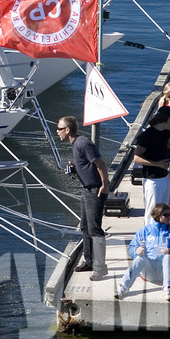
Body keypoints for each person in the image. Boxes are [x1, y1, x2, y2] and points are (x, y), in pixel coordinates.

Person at [60, 115, 109, 279]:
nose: (57, 132)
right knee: (85, 227)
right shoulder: (76, 145)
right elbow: (87, 165)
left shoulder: (83, 143)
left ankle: (100, 267)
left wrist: (105, 184)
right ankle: (89, 261)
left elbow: (100, 163)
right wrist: (75, 169)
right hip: (86, 189)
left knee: (95, 229)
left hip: (95, 190)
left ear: (67, 130)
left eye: (59, 129)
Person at [115, 202, 170, 301]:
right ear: (158, 216)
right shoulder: (145, 231)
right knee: (140, 258)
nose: (169, 217)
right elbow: (130, 248)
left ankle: (167, 288)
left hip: (166, 272)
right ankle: (124, 286)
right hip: (149, 271)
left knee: (168, 257)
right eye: (165, 215)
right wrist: (137, 250)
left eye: (169, 214)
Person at [131, 104, 170, 217]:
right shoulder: (147, 135)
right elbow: (136, 157)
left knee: (163, 210)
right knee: (152, 210)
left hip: (164, 177)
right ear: (164, 120)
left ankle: (161, 232)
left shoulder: (165, 133)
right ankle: (150, 233)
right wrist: (157, 164)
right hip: (152, 180)